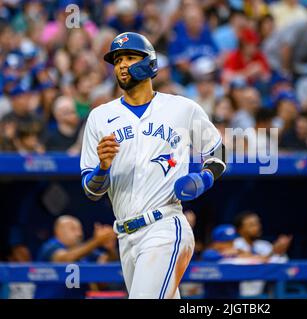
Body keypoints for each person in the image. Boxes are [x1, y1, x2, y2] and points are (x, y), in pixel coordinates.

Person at [80, 32, 226, 299]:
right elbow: (91, 191)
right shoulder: (99, 117)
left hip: (164, 226)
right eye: (117, 60)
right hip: (124, 234)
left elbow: (217, 152)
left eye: (129, 57)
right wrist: (102, 167)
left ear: (149, 63)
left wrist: (203, 179)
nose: (122, 64)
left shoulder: (181, 108)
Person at [35, 215, 118, 299]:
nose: (79, 234)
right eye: (73, 229)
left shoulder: (83, 250)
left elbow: (104, 265)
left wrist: (110, 249)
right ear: (58, 231)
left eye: (80, 229)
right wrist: (97, 241)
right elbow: (64, 259)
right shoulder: (50, 246)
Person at [233, 211, 292, 297]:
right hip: (237, 296)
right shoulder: (234, 244)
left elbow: (282, 263)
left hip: (259, 295)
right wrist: (272, 253)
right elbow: (246, 259)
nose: (257, 227)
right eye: (251, 225)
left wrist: (280, 252)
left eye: (258, 223)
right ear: (240, 230)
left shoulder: (265, 245)